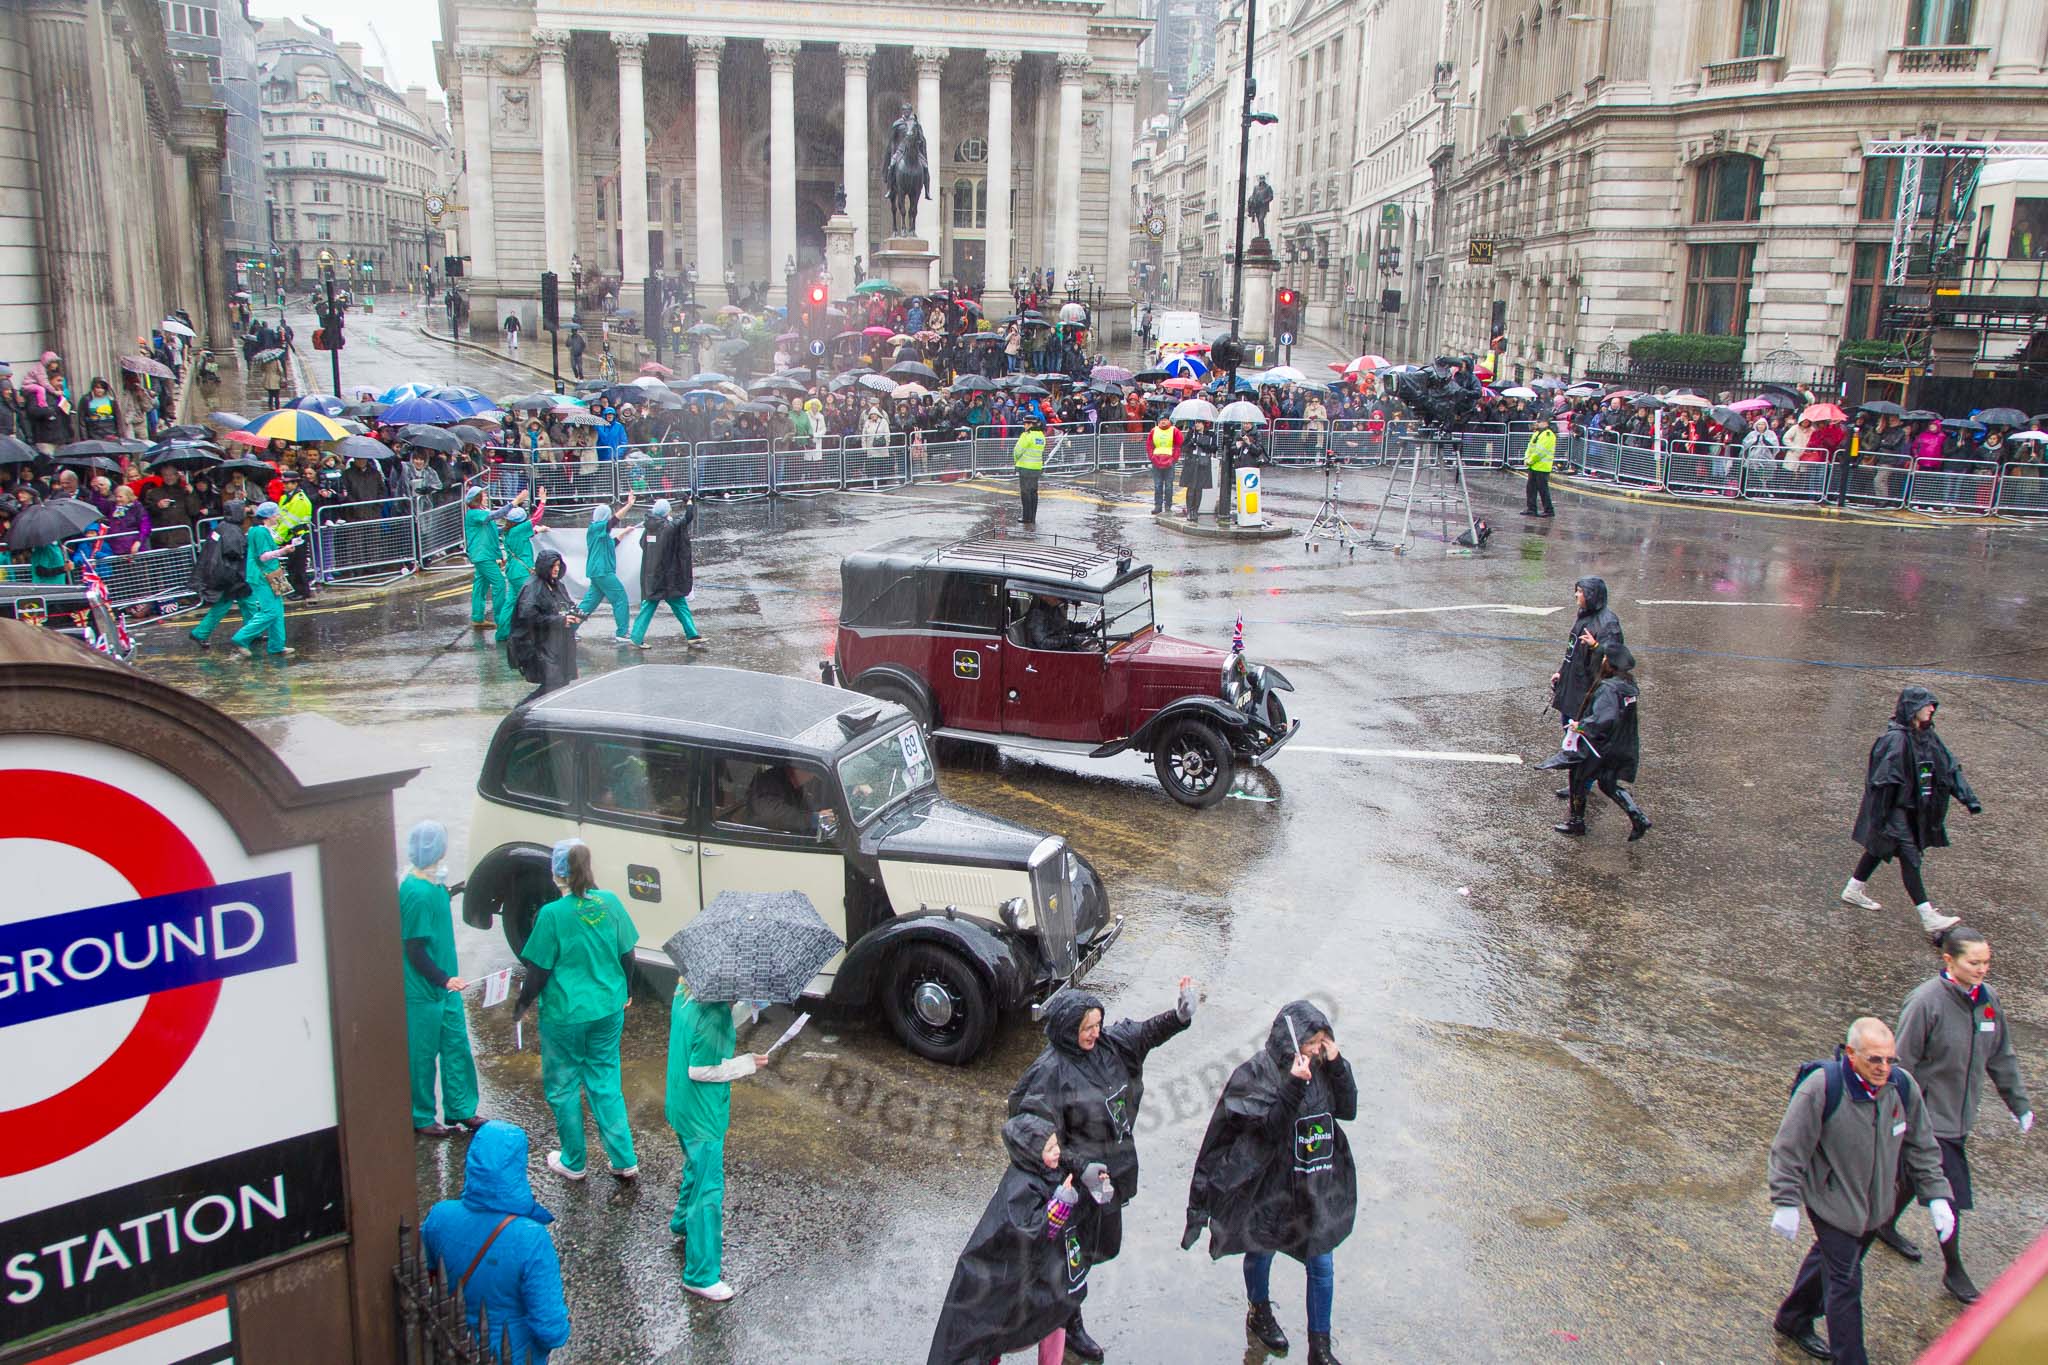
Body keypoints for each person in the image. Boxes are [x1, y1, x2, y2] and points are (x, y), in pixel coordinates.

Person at [1008, 978, 1196, 1362]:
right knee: (1070, 1254)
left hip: (1112, 1170)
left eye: (1097, 1024)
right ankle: (1068, 1320)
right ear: (1068, 1029)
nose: (1095, 1033)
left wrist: (1178, 1017)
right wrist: (1080, 1168)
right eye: (1086, 1028)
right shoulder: (1050, 1072)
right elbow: (1036, 1134)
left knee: (1100, 1246)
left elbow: (1145, 1034)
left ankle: (1067, 1308)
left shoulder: (1110, 1044)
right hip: (1072, 1184)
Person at [1769, 1017, 1954, 1365]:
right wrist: (1786, 1201)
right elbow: (1789, 1147)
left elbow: (1922, 1145)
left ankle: (1793, 1317)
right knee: (1846, 1282)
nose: (1884, 1068)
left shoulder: (1902, 1087)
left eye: (1890, 1059)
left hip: (1874, 1206)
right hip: (1832, 1203)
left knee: (1832, 1260)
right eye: (1875, 1060)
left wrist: (1937, 1195)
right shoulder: (1821, 1088)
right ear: (1851, 1054)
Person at [1183, 1001, 1356, 1365]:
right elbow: (1269, 1129)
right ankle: (1259, 1310)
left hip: (1314, 1181)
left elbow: (1348, 1109)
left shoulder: (1326, 1067)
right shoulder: (1258, 1073)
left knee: (1321, 1263)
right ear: (1293, 1042)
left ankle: (1319, 1347)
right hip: (1272, 1183)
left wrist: (1338, 1064)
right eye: (1313, 1042)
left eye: (1323, 1041)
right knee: (1262, 1246)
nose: (1318, 1049)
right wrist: (1294, 1084)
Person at [1870, 925, 2032, 1302]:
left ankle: (1884, 1223)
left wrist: (2018, 1103)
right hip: (1928, 1118)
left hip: (1959, 1117)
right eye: (1974, 962)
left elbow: (2000, 1054)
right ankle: (1954, 1271)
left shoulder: (1987, 1000)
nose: (1982, 969)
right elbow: (1900, 1064)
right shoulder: (1925, 1002)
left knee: (1915, 1176)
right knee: (1950, 1192)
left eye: (1986, 962)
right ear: (1949, 960)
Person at [927, 1113, 1100, 1365]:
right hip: (1012, 1281)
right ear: (1032, 1153)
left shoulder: (1049, 1171)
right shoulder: (1019, 1187)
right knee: (988, 1335)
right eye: (1050, 1148)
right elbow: (1028, 1232)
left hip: (1044, 1278)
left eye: (1056, 1145)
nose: (1057, 1152)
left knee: (1055, 1315)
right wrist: (1059, 1206)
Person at [514, 839, 640, 1182]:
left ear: (557, 872)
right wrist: (627, 990)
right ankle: (624, 1159)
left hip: (565, 1014)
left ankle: (574, 1160)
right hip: (607, 1008)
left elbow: (538, 971)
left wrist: (521, 1006)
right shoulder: (610, 902)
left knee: (564, 1085)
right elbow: (628, 953)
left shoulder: (552, 915)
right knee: (605, 1081)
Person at [420, 1121, 572, 1364]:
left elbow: (425, 1275)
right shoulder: (530, 1236)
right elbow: (550, 1331)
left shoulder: (440, 1216)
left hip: (452, 1346)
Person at [1841, 686, 1980, 938]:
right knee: (1910, 856)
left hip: (1915, 810)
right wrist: (1882, 818)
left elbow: (1949, 768)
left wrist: (1967, 798)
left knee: (1877, 849)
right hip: (1895, 810)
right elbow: (1883, 781)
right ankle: (1928, 915)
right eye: (1927, 705)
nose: (1931, 709)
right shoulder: (1895, 740)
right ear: (1912, 708)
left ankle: (1853, 888)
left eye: (1932, 705)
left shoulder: (1928, 737)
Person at [665, 986, 772, 1302]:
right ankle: (700, 1274)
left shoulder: (685, 991)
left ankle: (682, 1222)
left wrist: (745, 1008)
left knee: (694, 1169)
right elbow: (701, 1069)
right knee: (708, 1189)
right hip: (703, 1116)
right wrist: (747, 1063)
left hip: (681, 1104)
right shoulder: (713, 1014)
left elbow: (709, 1031)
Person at [399, 820, 483, 1138]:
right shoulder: (416, 893)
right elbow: (415, 949)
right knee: (422, 1055)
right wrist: (443, 979)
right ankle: (421, 1115)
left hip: (444, 988)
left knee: (456, 1045)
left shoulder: (431, 884)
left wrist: (452, 891)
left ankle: (462, 1109)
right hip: (425, 990)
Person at [1553, 643, 1651, 840]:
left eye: (1605, 659)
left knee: (1578, 778)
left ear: (1611, 664)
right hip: (1620, 745)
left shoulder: (1608, 688)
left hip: (1600, 746)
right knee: (1607, 783)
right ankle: (1638, 817)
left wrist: (1580, 726)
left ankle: (1576, 822)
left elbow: (1603, 718)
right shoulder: (1628, 685)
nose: (1603, 661)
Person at [1548, 577, 1622, 800]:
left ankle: (1583, 784)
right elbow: (1572, 652)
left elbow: (1616, 661)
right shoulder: (1584, 618)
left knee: (1584, 742)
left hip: (1588, 694)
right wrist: (1562, 672)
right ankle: (1577, 783)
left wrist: (1597, 647)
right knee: (1571, 738)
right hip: (1572, 690)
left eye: (1580, 591)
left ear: (1591, 595)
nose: (1576, 595)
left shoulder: (1608, 623)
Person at [508, 549, 582, 703]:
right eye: (552, 566)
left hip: (555, 644)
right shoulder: (533, 588)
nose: (556, 569)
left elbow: (564, 604)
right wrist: (559, 621)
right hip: (537, 645)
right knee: (554, 683)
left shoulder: (556, 585)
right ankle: (523, 711)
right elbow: (528, 616)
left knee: (561, 681)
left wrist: (574, 614)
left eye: (558, 565)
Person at [630, 496, 701, 648]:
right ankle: (691, 634)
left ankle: (692, 634)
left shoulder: (649, 527)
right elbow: (687, 518)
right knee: (678, 605)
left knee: (653, 606)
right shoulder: (668, 527)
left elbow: (643, 544)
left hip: (653, 576)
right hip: (668, 577)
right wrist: (689, 503)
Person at [228, 501, 290, 658]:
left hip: (270, 573)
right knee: (270, 611)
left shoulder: (259, 530)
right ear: (268, 516)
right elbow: (263, 556)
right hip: (263, 575)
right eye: (276, 513)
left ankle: (277, 646)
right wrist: (283, 551)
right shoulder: (260, 532)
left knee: (277, 611)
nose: (278, 516)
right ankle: (240, 639)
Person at [186, 499, 250, 647]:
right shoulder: (232, 529)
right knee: (245, 600)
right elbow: (234, 551)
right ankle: (251, 633)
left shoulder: (222, 527)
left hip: (223, 573)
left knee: (234, 602)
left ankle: (200, 633)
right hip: (231, 574)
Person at [577, 495, 635, 642]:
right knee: (620, 598)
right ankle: (622, 633)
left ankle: (569, 628)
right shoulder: (596, 528)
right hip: (603, 571)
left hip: (597, 572)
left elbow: (613, 543)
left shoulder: (599, 533)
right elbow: (613, 521)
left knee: (589, 603)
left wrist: (625, 532)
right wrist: (628, 505)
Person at [464, 486, 514, 640]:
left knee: (480, 585)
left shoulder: (482, 513)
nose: (486, 496)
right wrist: (514, 503)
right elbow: (495, 515)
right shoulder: (474, 514)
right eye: (483, 495)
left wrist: (506, 529)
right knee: (499, 583)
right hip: (482, 555)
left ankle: (477, 617)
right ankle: (501, 619)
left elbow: (493, 528)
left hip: (484, 555)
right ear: (477, 499)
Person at [273, 470, 315, 600]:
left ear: (295, 483)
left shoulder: (299, 499)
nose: (284, 485)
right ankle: (295, 590)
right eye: (283, 482)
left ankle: (303, 592)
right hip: (290, 537)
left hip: (298, 537)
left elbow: (290, 522)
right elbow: (280, 518)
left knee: (298, 566)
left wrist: (277, 539)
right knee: (291, 565)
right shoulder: (285, 497)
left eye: (287, 483)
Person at [1521, 413, 1557, 517]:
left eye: (1539, 421)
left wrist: (1530, 460)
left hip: (1542, 467)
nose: (1537, 423)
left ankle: (1549, 510)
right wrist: (1526, 458)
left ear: (1545, 423)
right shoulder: (1537, 433)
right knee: (1530, 489)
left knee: (1543, 490)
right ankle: (1531, 509)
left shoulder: (1548, 435)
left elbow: (1541, 452)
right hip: (1533, 466)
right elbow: (1530, 447)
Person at [1013, 417, 1046, 526]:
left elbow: (1017, 451)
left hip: (1025, 467)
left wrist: (1016, 461)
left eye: (1026, 424)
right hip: (1036, 468)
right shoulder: (1041, 436)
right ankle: (1032, 517)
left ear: (1030, 424)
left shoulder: (1026, 436)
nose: (1024, 426)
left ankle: (1026, 517)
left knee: (1025, 493)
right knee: (1033, 492)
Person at [1147, 415, 1182, 515]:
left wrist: (1173, 459)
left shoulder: (1174, 431)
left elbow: (1178, 446)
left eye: (1165, 420)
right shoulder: (1154, 431)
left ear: (1169, 421)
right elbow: (1149, 445)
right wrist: (1152, 457)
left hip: (1169, 463)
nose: (1163, 422)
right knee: (1158, 485)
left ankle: (1168, 505)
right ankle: (1158, 505)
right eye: (1161, 420)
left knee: (1168, 486)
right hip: (1157, 462)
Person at [1182, 420, 1217, 518]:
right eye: (1196, 422)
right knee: (1191, 487)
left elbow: (1214, 448)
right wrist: (1191, 443)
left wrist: (1201, 444)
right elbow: (1183, 448)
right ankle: (1189, 511)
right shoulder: (1191, 433)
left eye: (1199, 423)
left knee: (1199, 488)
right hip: (1192, 462)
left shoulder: (1211, 434)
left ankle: (1195, 511)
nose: (1197, 425)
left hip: (1204, 463)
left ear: (1204, 424)